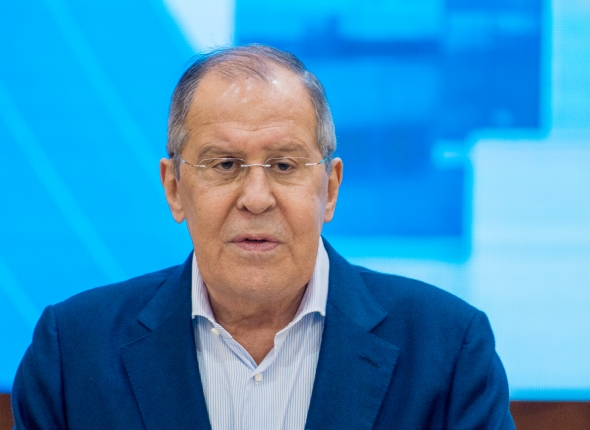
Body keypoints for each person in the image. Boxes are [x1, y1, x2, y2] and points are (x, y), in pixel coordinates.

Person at [11, 45, 515, 429]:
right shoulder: (71, 355)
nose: (256, 198)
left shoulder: (449, 352)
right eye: (224, 165)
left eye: (284, 165)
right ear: (174, 188)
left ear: (330, 188)